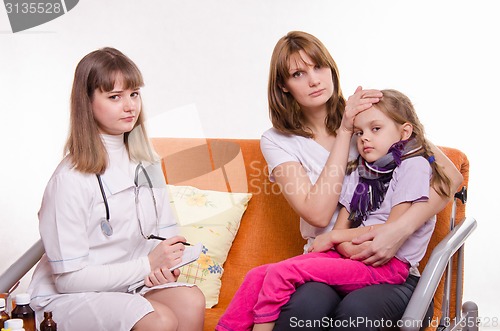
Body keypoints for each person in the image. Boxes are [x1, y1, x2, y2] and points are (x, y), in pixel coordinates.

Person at [218, 31, 463, 331]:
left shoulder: (370, 118)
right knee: (305, 310)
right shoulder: (280, 140)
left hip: (385, 260)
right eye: (299, 73)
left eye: (319, 67)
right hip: (328, 256)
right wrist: (345, 131)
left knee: (357, 311)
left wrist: (398, 230)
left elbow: (450, 176)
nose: (314, 80)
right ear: (283, 85)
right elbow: (319, 213)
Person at [27, 47, 205, 331]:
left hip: (127, 284)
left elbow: (166, 238)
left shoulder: (147, 163)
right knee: (159, 319)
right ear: (87, 102)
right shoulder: (69, 179)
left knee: (190, 299)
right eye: (114, 97)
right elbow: (68, 279)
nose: (130, 106)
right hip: (69, 297)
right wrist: (146, 265)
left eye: (133, 94)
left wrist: (166, 268)